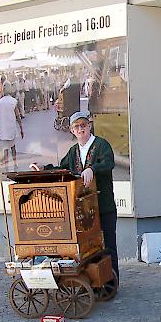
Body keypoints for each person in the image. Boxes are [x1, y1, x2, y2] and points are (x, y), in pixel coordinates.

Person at [40, 111, 119, 283]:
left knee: (108, 246)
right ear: (72, 130)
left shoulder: (101, 144)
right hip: (83, 210)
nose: (80, 129)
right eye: (77, 127)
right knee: (89, 248)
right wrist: (43, 169)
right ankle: (95, 281)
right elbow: (62, 168)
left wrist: (93, 169)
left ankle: (111, 282)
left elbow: (108, 163)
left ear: (89, 126)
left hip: (103, 206)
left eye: (83, 125)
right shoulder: (73, 151)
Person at [0, 81, 24, 172]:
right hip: (11, 127)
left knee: (5, 149)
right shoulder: (13, 101)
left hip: (3, 129)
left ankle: (7, 165)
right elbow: (18, 116)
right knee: (13, 147)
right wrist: (21, 128)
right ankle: (15, 163)